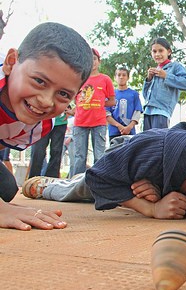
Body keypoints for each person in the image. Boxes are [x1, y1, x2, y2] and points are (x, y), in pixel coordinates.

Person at [22, 122, 186, 221]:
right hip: (125, 153)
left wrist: (160, 192)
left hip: (151, 175)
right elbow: (100, 176)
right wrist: (148, 208)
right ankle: (50, 186)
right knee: (85, 188)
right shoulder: (158, 150)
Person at [0, 22, 93, 230]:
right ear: (11, 62)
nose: (45, 101)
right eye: (39, 81)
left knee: (5, 187)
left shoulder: (37, 126)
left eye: (63, 94)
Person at [72, 48, 115, 175]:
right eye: (89, 59)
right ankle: (75, 185)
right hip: (80, 122)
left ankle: (99, 183)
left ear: (99, 61)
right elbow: (75, 99)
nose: (92, 62)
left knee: (99, 156)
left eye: (94, 59)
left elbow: (112, 101)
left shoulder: (105, 79)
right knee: (79, 157)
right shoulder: (79, 78)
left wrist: (99, 102)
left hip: (99, 122)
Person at [143, 37, 186, 130]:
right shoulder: (154, 71)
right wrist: (149, 79)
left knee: (158, 140)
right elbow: (145, 96)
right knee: (147, 142)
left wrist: (166, 76)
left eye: (161, 51)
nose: (157, 54)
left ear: (168, 52)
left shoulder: (175, 67)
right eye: (154, 51)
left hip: (162, 111)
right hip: (147, 112)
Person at [28, 108, 70, 178]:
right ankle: (33, 180)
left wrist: (70, 110)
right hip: (42, 121)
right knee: (38, 151)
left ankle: (51, 180)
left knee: (56, 151)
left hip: (60, 121)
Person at [106, 67, 142, 140]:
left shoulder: (134, 94)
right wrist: (119, 126)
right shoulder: (110, 95)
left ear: (128, 77)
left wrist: (129, 127)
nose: (121, 77)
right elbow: (106, 114)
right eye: (119, 75)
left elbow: (137, 112)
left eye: (124, 75)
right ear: (115, 77)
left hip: (130, 132)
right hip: (114, 132)